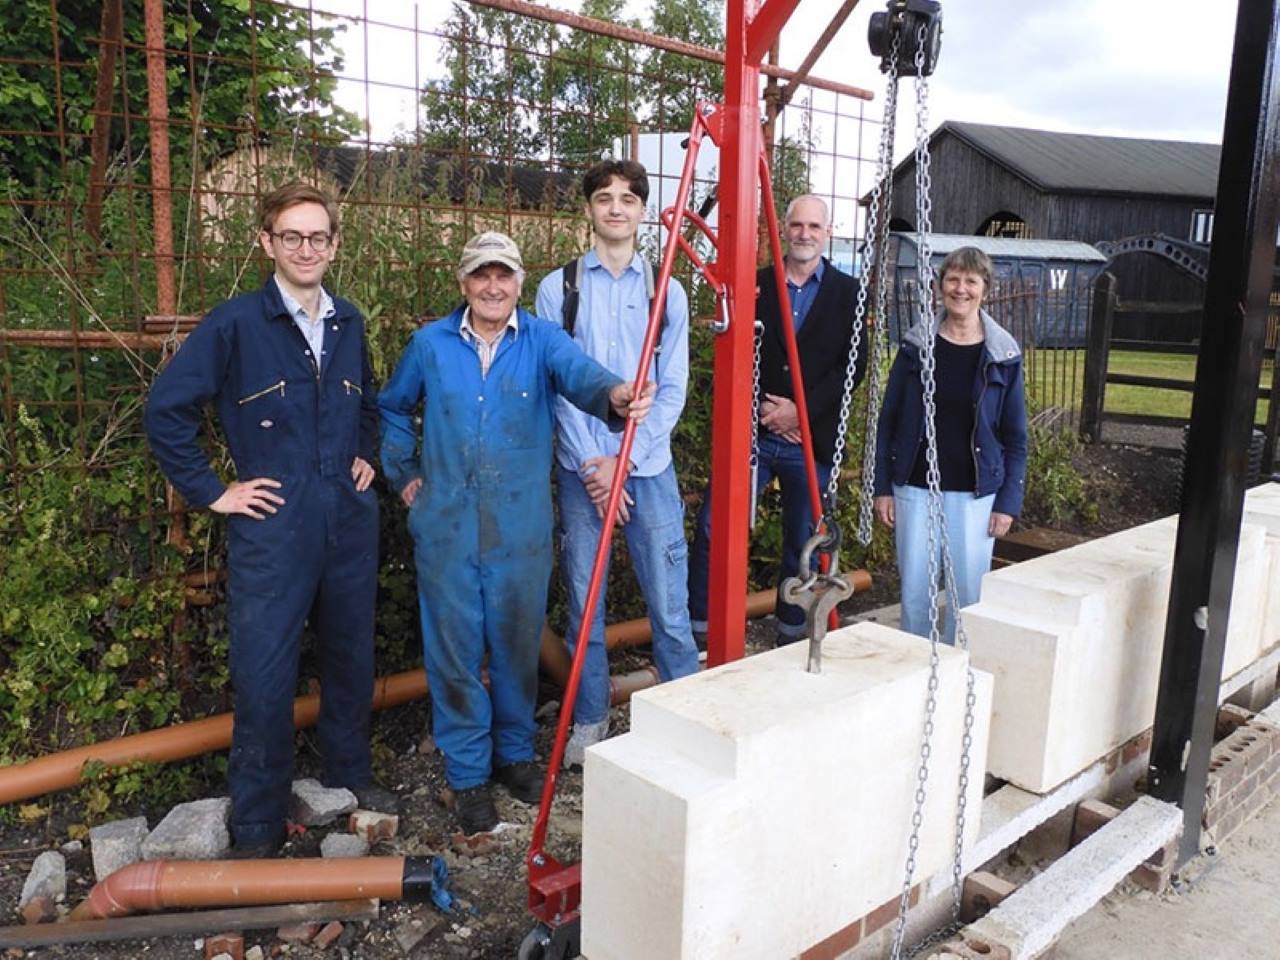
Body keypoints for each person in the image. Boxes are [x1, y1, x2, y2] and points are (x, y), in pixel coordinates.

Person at [144, 181, 394, 858]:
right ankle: (256, 824)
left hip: (347, 520)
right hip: (273, 525)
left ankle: (345, 786)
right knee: (265, 673)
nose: (306, 248)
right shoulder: (236, 325)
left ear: (334, 244)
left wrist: (366, 456)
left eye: (318, 237)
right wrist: (214, 492)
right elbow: (165, 412)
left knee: (349, 657)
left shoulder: (348, 322)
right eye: (292, 236)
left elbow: (366, 403)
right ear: (267, 242)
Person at [378, 231, 654, 835]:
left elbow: (581, 375)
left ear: (519, 283)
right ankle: (469, 776)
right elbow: (394, 408)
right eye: (481, 276)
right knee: (453, 653)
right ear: (464, 284)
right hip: (447, 525)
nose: (493, 287)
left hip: (520, 527)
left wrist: (615, 391)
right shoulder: (429, 345)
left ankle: (513, 756)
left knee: (516, 646)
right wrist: (404, 474)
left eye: (503, 275)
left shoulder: (541, 341)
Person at [535, 158, 699, 768]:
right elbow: (556, 385)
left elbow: (673, 386)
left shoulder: (666, 290)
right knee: (585, 602)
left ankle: (686, 709)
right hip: (584, 474)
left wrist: (623, 464)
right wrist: (592, 465)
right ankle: (590, 716)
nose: (615, 208)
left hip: (646, 470)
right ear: (589, 209)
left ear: (643, 211)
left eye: (628, 198)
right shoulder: (560, 289)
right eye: (603, 197)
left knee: (669, 601)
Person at [688, 194, 865, 646]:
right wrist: (768, 414)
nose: (805, 234)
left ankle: (792, 633)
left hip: (810, 438)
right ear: (784, 229)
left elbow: (854, 367)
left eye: (814, 227)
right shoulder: (756, 284)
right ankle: (704, 629)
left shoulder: (849, 295)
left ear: (828, 233)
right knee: (714, 527)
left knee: (803, 540)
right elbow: (732, 355)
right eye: (797, 225)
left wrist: (799, 413)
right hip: (755, 432)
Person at [872, 245, 1028, 645]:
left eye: (970, 281)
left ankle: (959, 677)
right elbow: (887, 422)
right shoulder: (915, 346)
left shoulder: (1003, 354)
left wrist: (1008, 502)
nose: (961, 289)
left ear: (985, 290)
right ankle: (914, 673)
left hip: (974, 496)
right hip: (915, 487)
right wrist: (883, 487)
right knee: (915, 597)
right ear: (940, 287)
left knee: (967, 599)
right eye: (953, 279)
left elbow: (1015, 437)